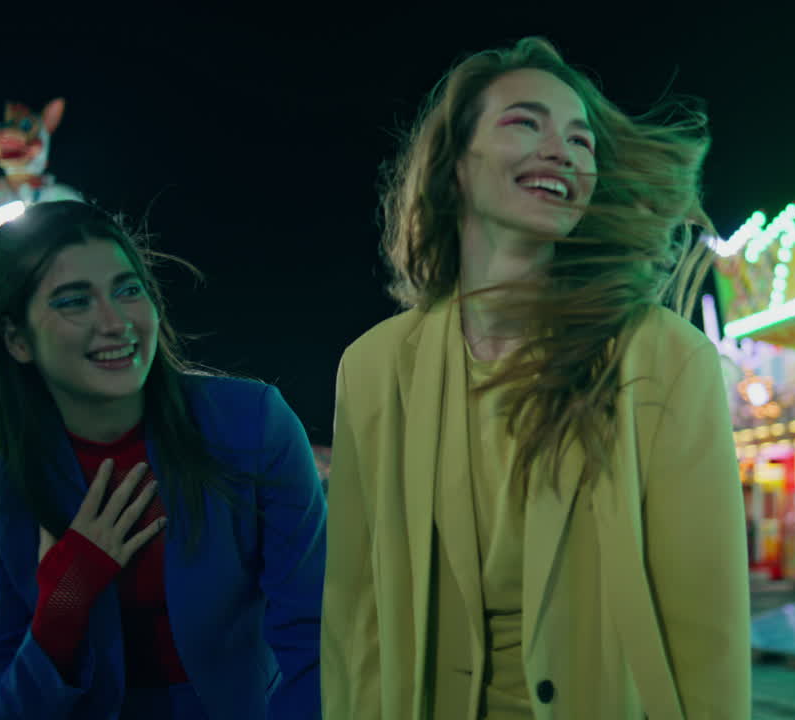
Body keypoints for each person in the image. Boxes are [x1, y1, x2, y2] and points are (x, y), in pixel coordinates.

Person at [321, 37, 749, 719]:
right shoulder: (372, 369)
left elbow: (708, 629)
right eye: (526, 123)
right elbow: (355, 616)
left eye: (581, 141)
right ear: (454, 167)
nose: (562, 151)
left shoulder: (665, 359)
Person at [0, 200, 326, 719]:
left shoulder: (251, 425)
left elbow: (313, 637)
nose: (115, 322)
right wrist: (65, 600)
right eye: (74, 301)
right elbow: (3, 710)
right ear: (17, 340)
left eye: (128, 290)